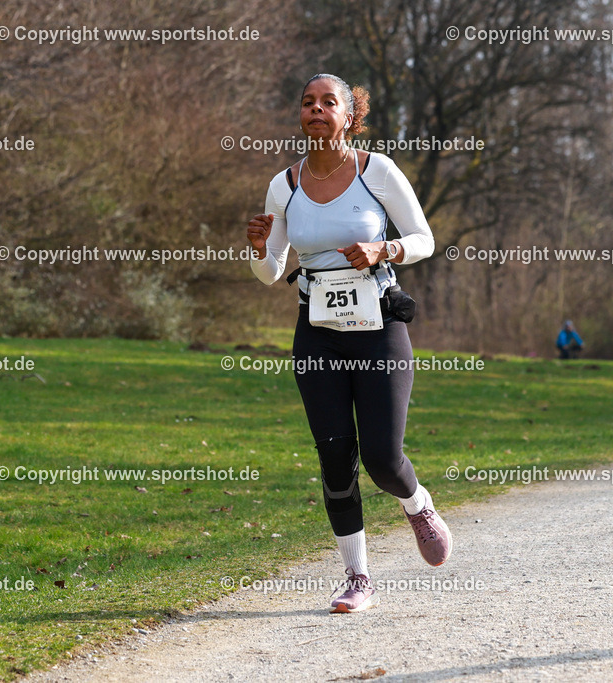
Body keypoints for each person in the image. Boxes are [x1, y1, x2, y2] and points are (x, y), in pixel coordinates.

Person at [247, 73, 450, 614]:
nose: (316, 109)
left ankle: (416, 503)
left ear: (348, 116)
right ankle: (357, 577)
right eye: (308, 103)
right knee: (335, 457)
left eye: (327, 102)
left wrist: (383, 250)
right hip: (316, 333)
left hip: (379, 326)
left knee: (382, 458)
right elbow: (270, 272)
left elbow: (425, 240)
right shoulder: (283, 185)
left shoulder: (375, 170)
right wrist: (258, 248)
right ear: (300, 116)